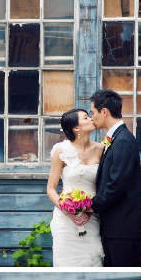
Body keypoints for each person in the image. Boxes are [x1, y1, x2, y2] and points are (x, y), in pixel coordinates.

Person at [91, 86, 141, 267]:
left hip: (123, 229)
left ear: (104, 112)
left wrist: (90, 206)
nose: (92, 118)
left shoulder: (123, 141)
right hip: (114, 227)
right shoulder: (116, 139)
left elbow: (116, 186)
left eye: (93, 113)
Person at [47, 108, 105, 268]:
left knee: (93, 260)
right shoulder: (62, 152)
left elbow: (106, 187)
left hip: (92, 216)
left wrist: (89, 211)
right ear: (76, 128)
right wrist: (69, 212)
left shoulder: (101, 149)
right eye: (86, 117)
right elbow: (51, 189)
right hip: (66, 220)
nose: (92, 119)